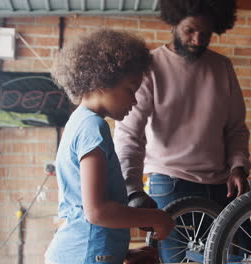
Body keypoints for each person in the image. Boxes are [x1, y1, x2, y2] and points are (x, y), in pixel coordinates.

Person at [113, 0, 251, 262]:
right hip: (170, 183)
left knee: (245, 258)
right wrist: (132, 188)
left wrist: (238, 167)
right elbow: (129, 133)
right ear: (174, 23)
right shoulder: (151, 67)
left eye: (206, 33)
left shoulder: (222, 68)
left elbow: (236, 128)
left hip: (222, 185)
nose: (198, 39)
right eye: (190, 30)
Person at [45, 29, 174, 264]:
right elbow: (97, 212)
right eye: (131, 89)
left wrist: (122, 253)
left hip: (86, 251)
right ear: (103, 81)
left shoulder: (79, 122)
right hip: (85, 254)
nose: (135, 100)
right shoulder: (92, 127)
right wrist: (156, 217)